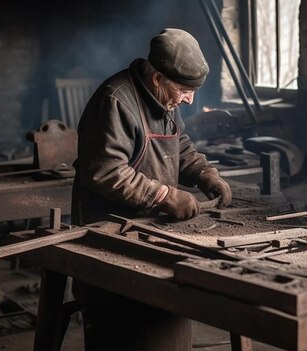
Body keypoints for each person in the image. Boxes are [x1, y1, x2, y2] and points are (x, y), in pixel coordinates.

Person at [71, 28, 232, 351]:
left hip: (150, 229)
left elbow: (179, 145)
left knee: (165, 323)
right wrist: (165, 195)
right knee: (125, 331)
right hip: (111, 235)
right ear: (157, 77)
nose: (190, 99)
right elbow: (104, 171)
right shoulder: (115, 101)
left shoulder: (163, 100)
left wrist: (205, 174)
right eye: (185, 90)